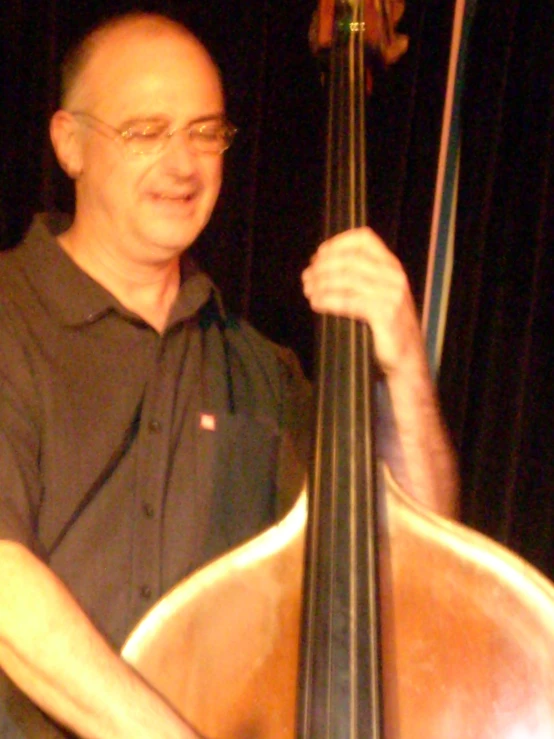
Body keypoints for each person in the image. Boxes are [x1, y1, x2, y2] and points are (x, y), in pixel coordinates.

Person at [0, 11, 458, 738]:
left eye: (206, 132)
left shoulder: (260, 368)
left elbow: (411, 551)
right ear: (69, 142)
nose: (184, 164)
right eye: (146, 131)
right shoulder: (9, 314)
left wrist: (402, 362)